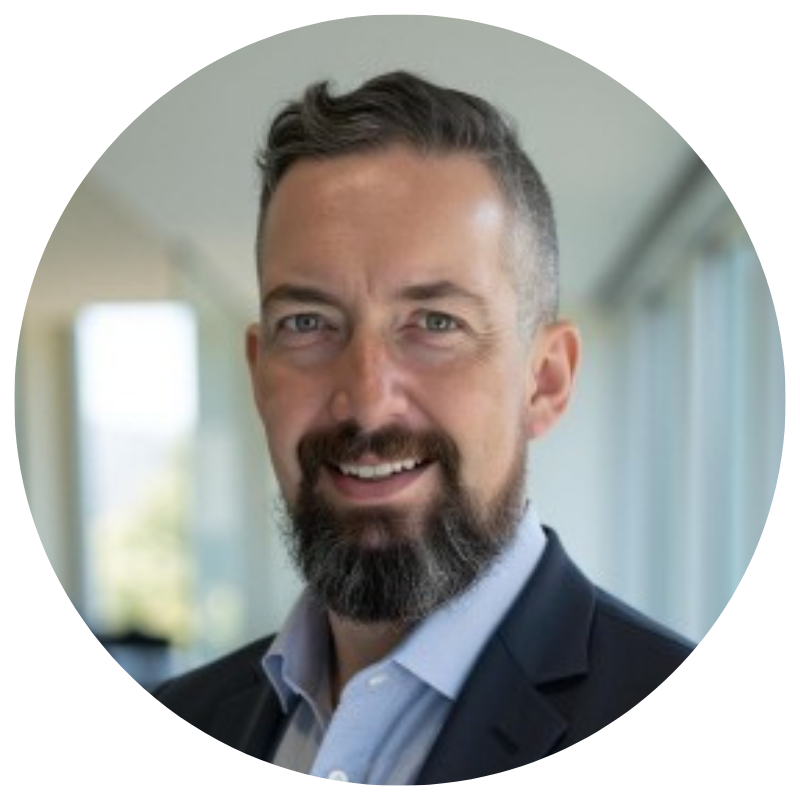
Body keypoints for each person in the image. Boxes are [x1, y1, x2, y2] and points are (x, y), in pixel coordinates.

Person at [153, 71, 694, 782]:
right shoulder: (188, 709)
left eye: (436, 323)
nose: (367, 403)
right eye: (308, 323)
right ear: (259, 374)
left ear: (546, 380)